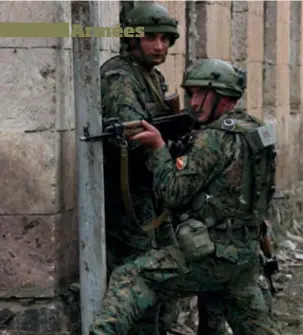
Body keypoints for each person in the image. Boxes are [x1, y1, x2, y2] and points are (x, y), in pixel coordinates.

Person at [89, 58, 280, 335]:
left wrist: (158, 148)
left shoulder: (213, 139)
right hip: (244, 257)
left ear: (224, 97)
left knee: (130, 276)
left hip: (209, 257)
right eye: (192, 93)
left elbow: (173, 192)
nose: (193, 102)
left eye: (202, 94)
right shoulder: (255, 130)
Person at [99, 3, 183, 334]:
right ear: (133, 39)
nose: (159, 46)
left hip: (153, 187)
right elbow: (131, 132)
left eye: (165, 39)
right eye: (151, 38)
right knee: (137, 273)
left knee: (167, 264)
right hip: (130, 192)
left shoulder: (152, 76)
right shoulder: (120, 75)